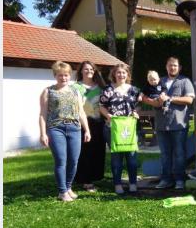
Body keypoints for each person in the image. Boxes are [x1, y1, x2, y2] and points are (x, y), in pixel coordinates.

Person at [40, 61, 91, 201]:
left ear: (70, 76)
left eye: (66, 75)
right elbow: (43, 114)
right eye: (60, 75)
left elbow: (81, 112)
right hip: (56, 128)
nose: (63, 78)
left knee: (74, 161)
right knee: (61, 161)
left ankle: (68, 187)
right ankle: (62, 192)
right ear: (55, 75)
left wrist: (87, 130)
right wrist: (43, 133)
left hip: (75, 128)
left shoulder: (76, 91)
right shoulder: (48, 91)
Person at [144, 57, 195, 190]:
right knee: (165, 154)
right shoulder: (159, 81)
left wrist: (170, 98)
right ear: (166, 67)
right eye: (170, 65)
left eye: (175, 65)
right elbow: (148, 97)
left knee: (179, 153)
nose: (172, 68)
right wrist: (155, 101)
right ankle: (166, 179)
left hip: (178, 124)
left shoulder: (185, 81)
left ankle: (179, 179)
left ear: (179, 67)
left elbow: (189, 100)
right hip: (161, 124)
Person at [99, 64, 141, 194]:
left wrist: (136, 112)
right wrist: (108, 115)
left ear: (127, 75)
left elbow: (138, 106)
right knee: (116, 157)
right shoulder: (108, 89)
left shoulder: (134, 90)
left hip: (130, 129)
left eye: (124, 73)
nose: (121, 75)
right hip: (112, 128)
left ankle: (133, 183)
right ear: (114, 74)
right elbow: (101, 106)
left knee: (132, 158)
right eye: (118, 73)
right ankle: (117, 184)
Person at [73, 61, 106, 192]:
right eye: (86, 69)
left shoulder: (101, 87)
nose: (89, 71)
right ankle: (86, 180)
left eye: (91, 69)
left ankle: (94, 177)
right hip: (82, 123)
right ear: (81, 71)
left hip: (98, 123)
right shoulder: (76, 87)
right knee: (84, 152)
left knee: (97, 151)